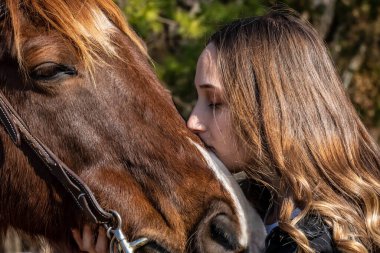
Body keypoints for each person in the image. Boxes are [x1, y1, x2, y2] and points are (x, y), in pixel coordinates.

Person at [73, 8, 380, 253]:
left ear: (273, 112)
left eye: (215, 102)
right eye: (198, 100)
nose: (192, 122)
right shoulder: (255, 213)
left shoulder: (318, 240)